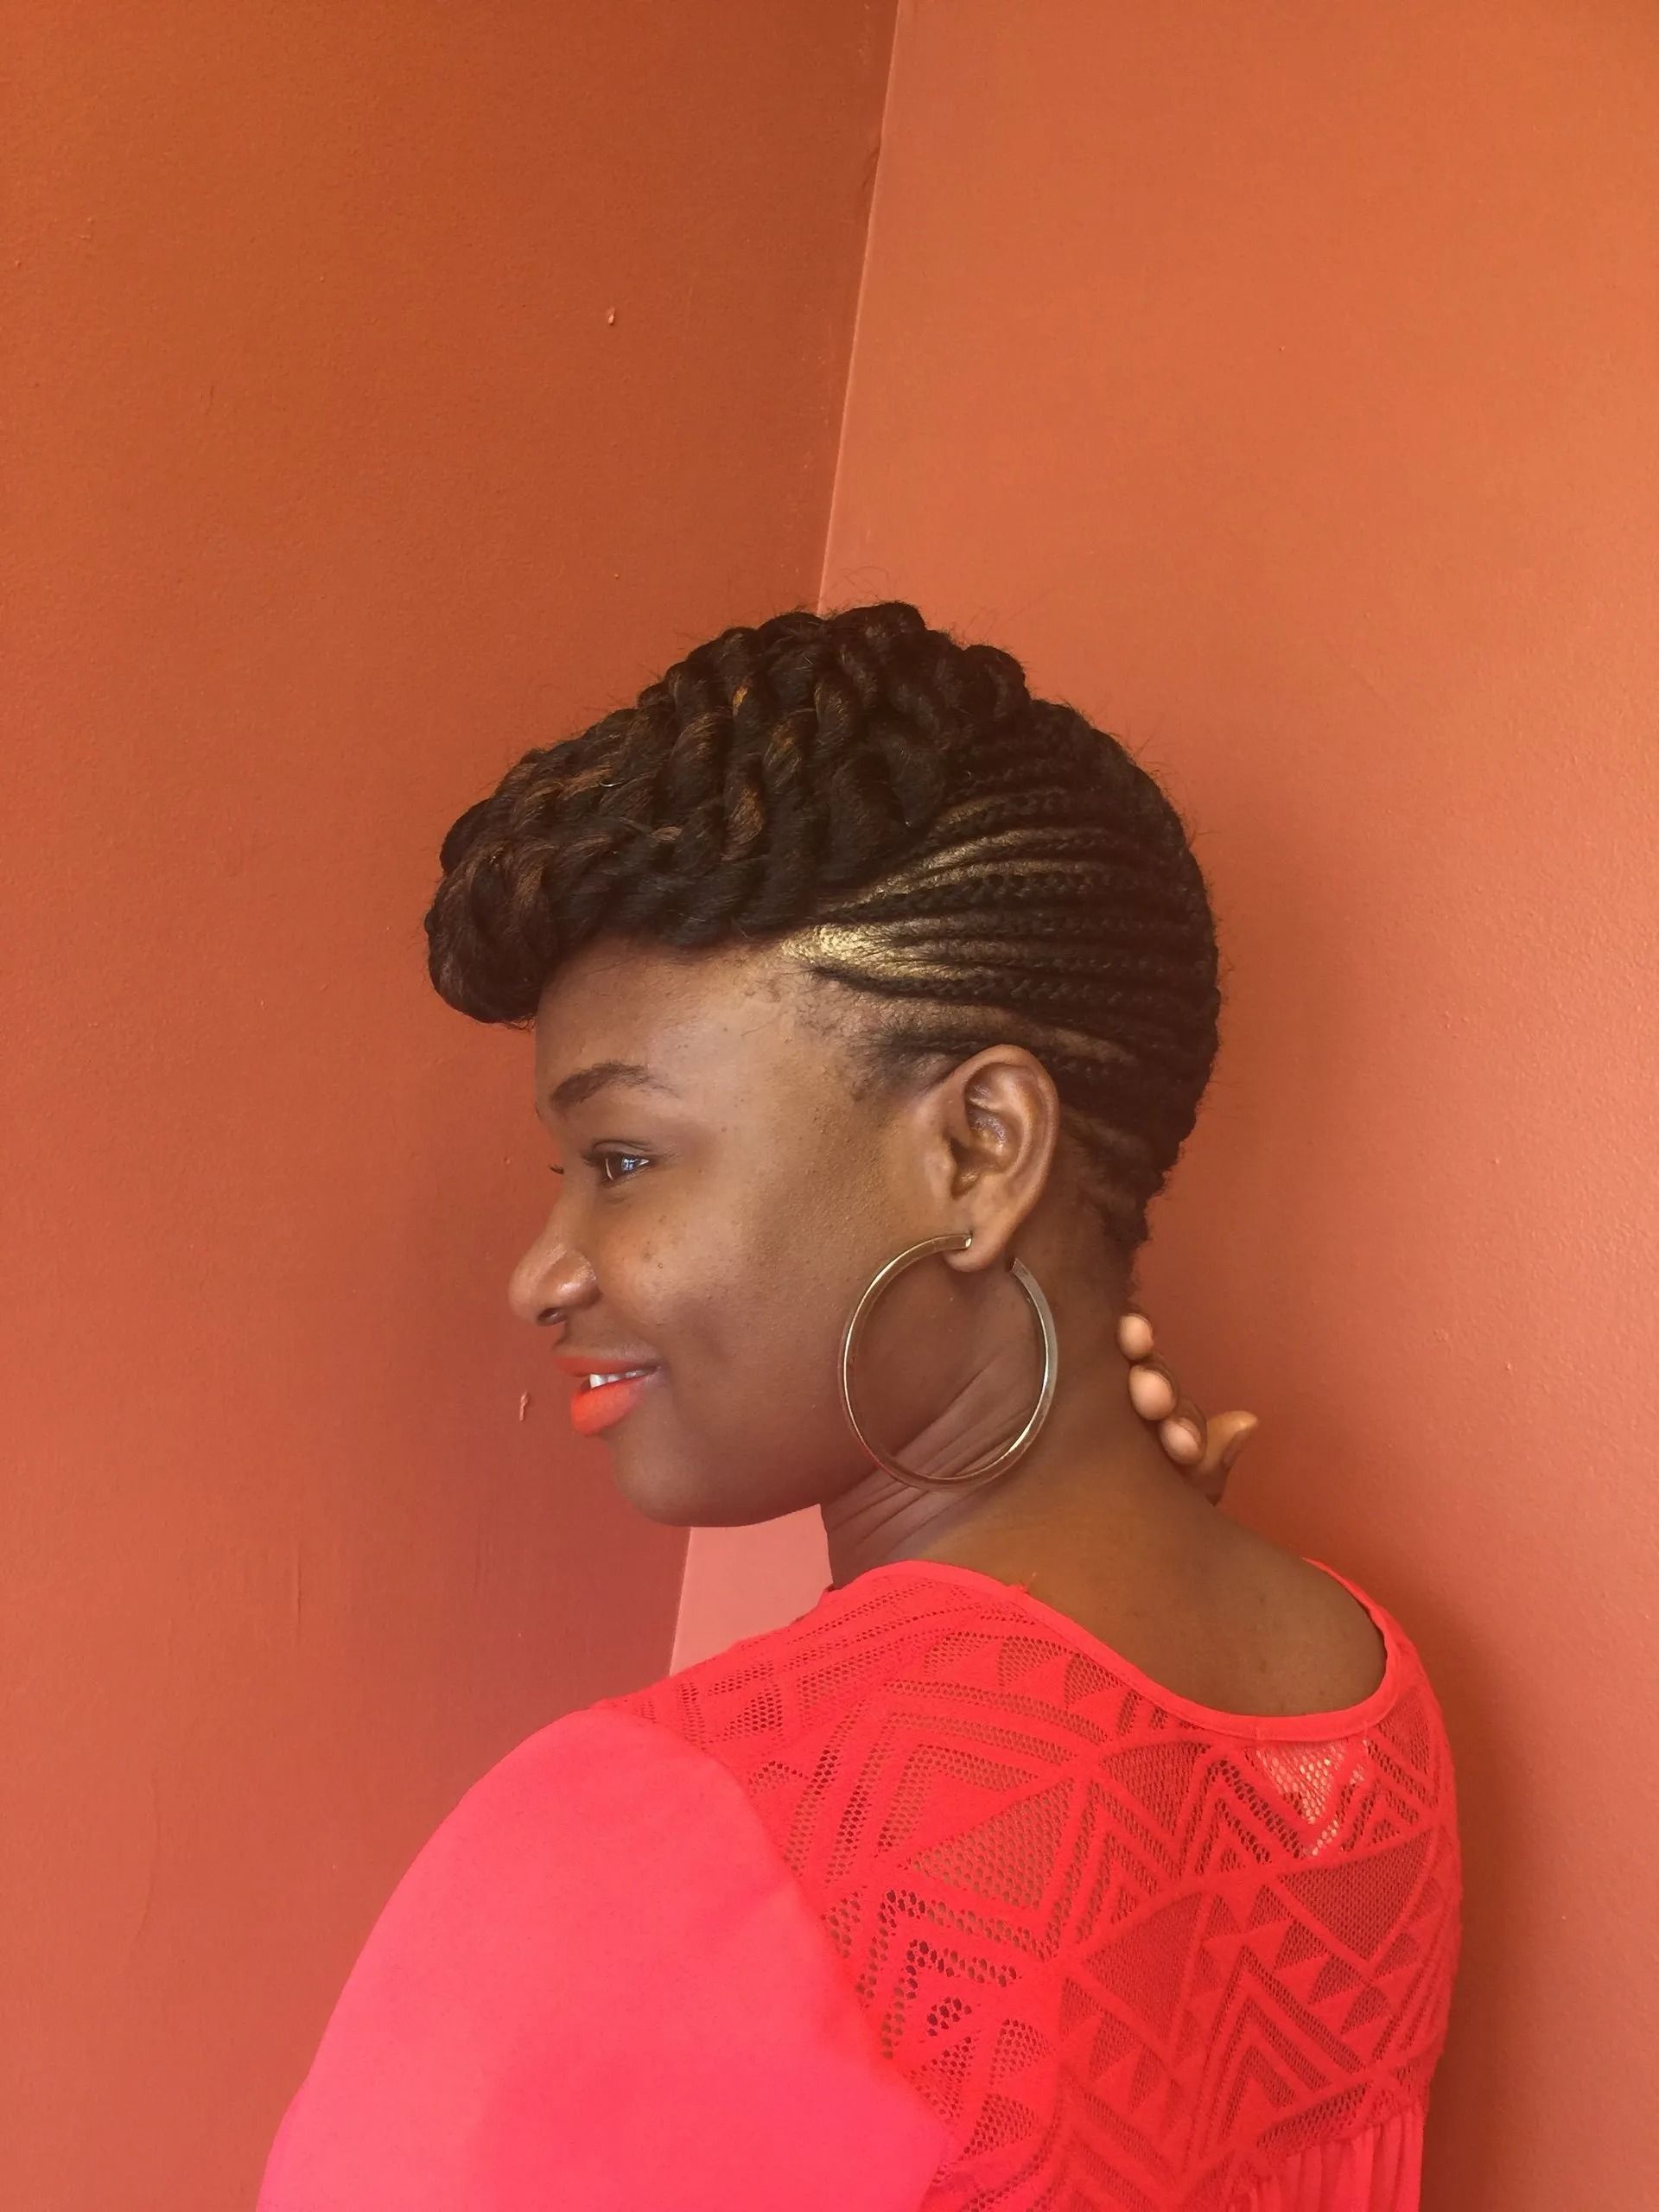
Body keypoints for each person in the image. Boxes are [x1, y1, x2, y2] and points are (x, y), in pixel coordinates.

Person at [256, 602, 1460, 2209]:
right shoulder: (1368, 1713)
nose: (546, 1271)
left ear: (977, 1152)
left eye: (622, 1161)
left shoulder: (651, 1845)